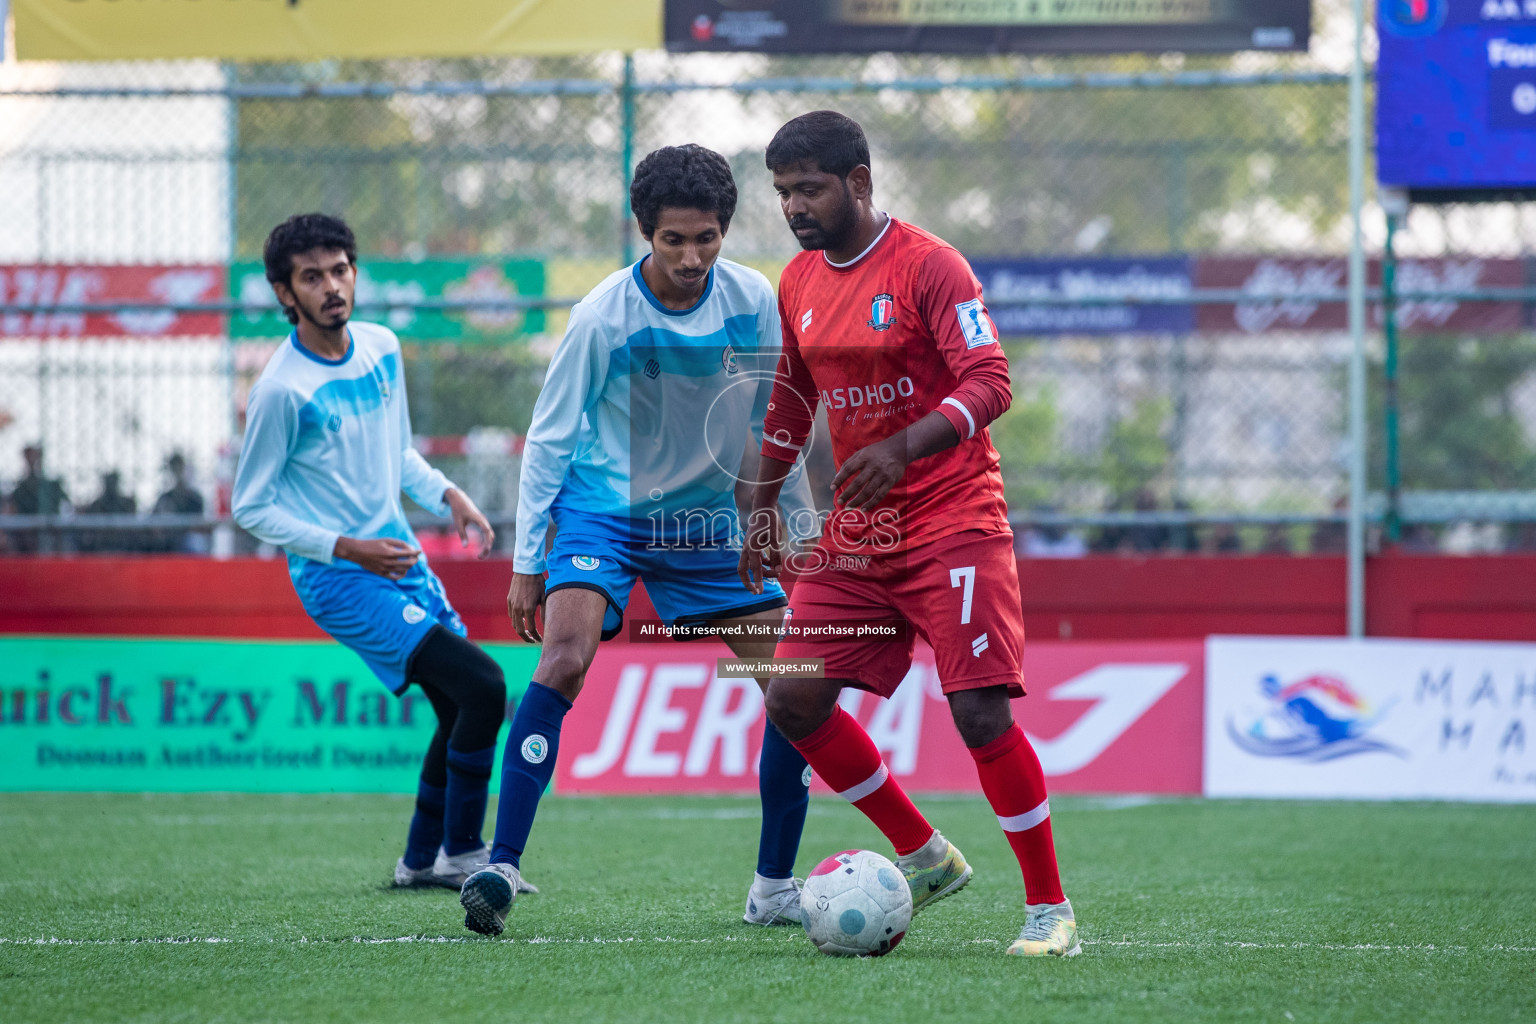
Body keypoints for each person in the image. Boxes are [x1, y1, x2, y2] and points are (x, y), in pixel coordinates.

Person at [739, 111, 1081, 958]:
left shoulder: (932, 266)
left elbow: (991, 381)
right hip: (860, 535)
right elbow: (789, 401)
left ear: (858, 182)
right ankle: (925, 855)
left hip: (953, 518)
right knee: (792, 698)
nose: (793, 206)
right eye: (783, 191)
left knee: (978, 714)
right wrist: (755, 510)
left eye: (808, 188)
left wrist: (905, 444)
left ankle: (1050, 911)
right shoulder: (799, 282)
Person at [458, 145, 818, 937]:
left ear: (725, 231)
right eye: (673, 241)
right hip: (604, 513)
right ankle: (502, 863)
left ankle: (773, 888)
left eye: (708, 239)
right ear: (644, 234)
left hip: (708, 525)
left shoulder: (755, 300)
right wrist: (528, 566)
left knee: (796, 688)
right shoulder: (600, 318)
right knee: (564, 658)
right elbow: (548, 441)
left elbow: (776, 421)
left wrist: (792, 524)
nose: (692, 258)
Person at [233, 213, 525, 893]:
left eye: (340, 270)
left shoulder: (382, 346)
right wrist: (348, 548)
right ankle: (461, 851)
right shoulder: (280, 389)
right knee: (483, 686)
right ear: (284, 293)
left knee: (459, 705)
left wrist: (449, 494)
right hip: (337, 577)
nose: (332, 286)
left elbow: (394, 453)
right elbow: (251, 506)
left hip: (395, 559)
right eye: (312, 276)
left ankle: (422, 862)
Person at [8, 443, 70, 554]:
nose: (33, 460)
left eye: (35, 456)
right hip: (26, 538)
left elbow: (67, 507)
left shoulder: (52, 486)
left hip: (50, 533)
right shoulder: (20, 490)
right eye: (29, 457)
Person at [150, 451, 208, 553]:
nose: (177, 471)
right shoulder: (165, 498)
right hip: (168, 540)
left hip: (187, 541)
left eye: (179, 467)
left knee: (196, 541)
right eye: (174, 467)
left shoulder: (194, 497)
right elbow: (155, 525)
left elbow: (200, 525)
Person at [78, 469, 139, 553]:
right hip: (101, 549)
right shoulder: (97, 505)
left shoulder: (127, 503)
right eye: (109, 482)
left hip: (124, 548)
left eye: (113, 482)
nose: (111, 485)